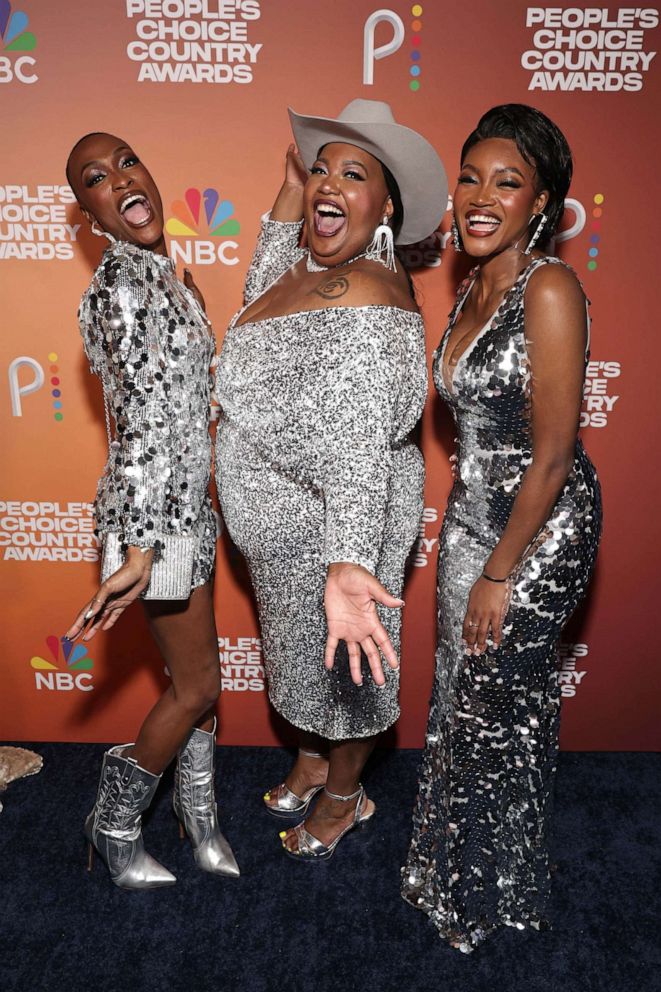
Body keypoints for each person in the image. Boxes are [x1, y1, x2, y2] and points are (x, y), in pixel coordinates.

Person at [215, 100, 447, 860]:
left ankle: (346, 796)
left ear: (386, 208)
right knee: (303, 658)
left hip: (342, 527)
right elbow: (254, 296)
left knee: (351, 668)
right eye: (323, 167)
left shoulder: (373, 296)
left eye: (354, 174)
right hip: (285, 538)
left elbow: (356, 444)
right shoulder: (310, 275)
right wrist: (292, 189)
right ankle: (316, 760)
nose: (328, 184)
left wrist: (347, 561)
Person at [401, 105, 602, 950]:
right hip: (476, 514)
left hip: (537, 529)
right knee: (460, 697)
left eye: (507, 183)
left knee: (497, 706)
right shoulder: (474, 281)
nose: (481, 197)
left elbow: (552, 456)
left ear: (542, 203)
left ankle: (492, 888)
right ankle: (456, 865)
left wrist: (497, 570)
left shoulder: (548, 288)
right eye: (471, 177)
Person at [64, 132, 239, 889]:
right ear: (90, 211)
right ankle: (113, 823)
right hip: (152, 519)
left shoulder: (160, 273)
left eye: (126, 161)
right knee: (199, 686)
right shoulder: (122, 285)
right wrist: (138, 548)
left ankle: (197, 817)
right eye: (96, 179)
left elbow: (184, 402)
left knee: (193, 680)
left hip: (185, 509)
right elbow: (136, 421)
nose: (120, 180)